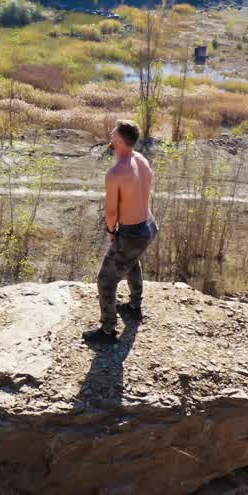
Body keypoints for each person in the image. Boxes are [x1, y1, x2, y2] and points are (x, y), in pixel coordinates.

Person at [83, 120, 158, 345]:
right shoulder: (142, 160)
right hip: (149, 226)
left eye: (114, 132)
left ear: (119, 140)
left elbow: (112, 211)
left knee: (106, 280)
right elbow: (144, 192)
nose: (111, 134)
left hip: (132, 232)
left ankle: (107, 330)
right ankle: (134, 305)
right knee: (130, 260)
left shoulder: (115, 173)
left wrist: (111, 231)